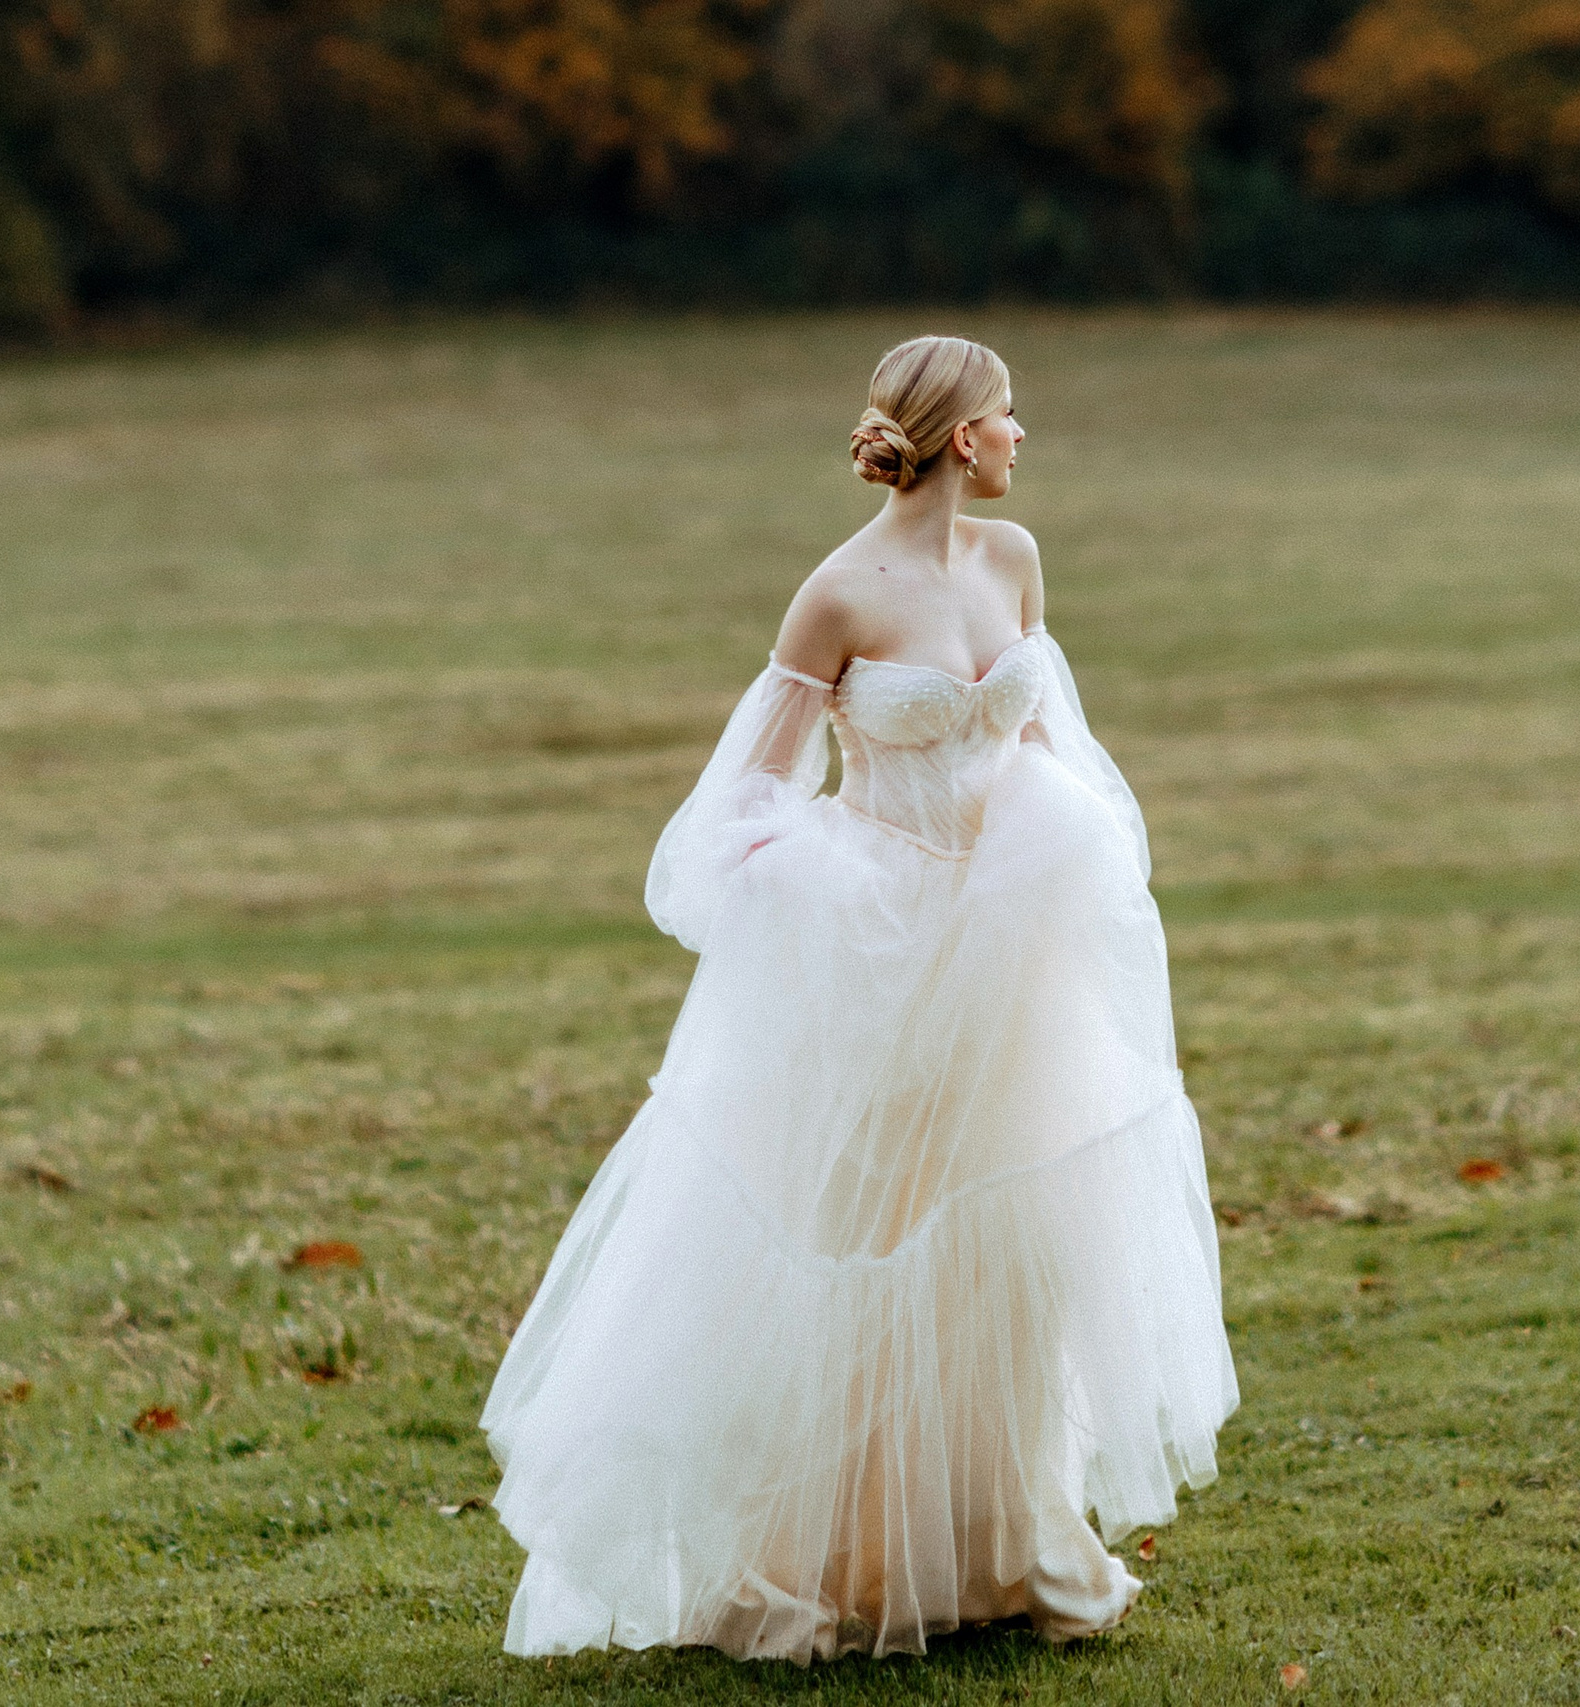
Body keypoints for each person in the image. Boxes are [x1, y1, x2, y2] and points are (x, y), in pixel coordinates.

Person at [480, 335, 1237, 1664]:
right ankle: (811, 1567)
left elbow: (1048, 736)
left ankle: (1010, 1548)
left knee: (1015, 1244)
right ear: (960, 440)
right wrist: (819, 892)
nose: (1021, 440)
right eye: (1008, 420)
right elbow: (747, 801)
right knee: (865, 1243)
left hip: (1008, 964)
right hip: (880, 964)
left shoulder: (1012, 562)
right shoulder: (836, 597)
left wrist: (1075, 860)